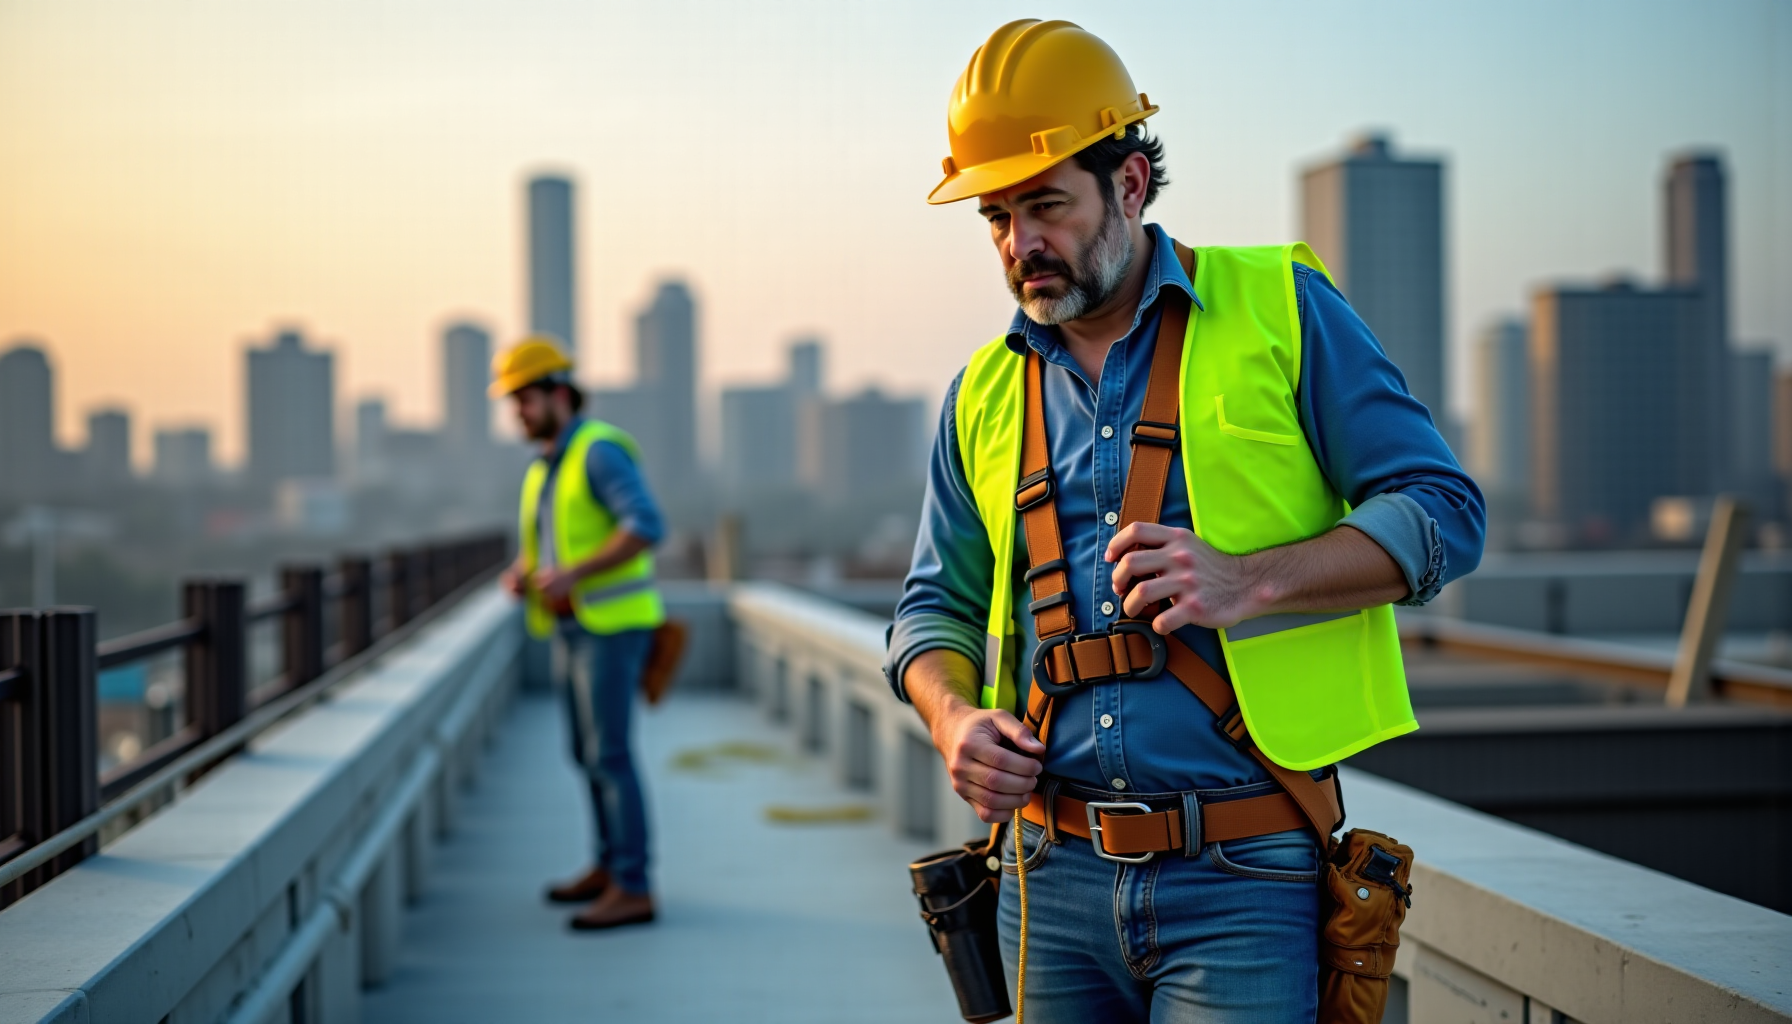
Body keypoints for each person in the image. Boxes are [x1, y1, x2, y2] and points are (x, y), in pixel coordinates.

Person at [886, 20, 1484, 1023]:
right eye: (995, 216)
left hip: (1244, 877)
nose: (1019, 244)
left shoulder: (1279, 309)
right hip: (1044, 880)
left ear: (1127, 182)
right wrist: (950, 717)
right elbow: (926, 606)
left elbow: (1443, 515)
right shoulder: (979, 394)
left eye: (1045, 205)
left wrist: (1249, 580)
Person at [492, 336, 663, 931]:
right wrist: (526, 572)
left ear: (559, 393)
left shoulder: (596, 453)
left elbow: (646, 526)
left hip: (611, 628)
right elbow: (558, 543)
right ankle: (608, 866)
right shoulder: (549, 465)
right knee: (586, 754)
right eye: (512, 402)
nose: (518, 411)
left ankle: (634, 886)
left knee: (611, 755)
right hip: (574, 627)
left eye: (525, 398)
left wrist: (572, 575)